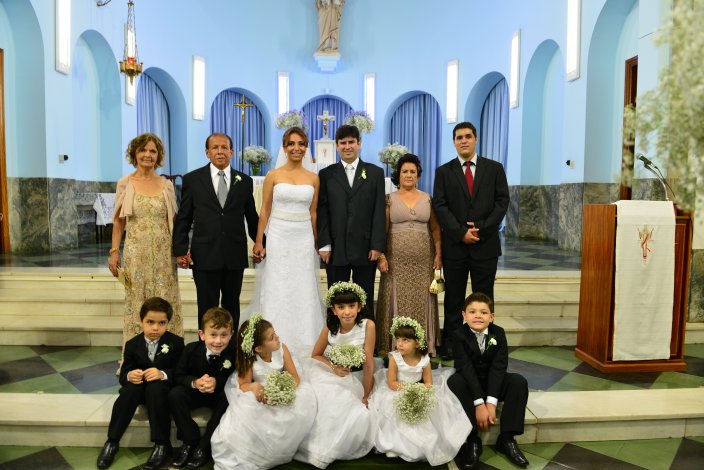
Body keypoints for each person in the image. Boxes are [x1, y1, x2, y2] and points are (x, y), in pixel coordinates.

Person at [432, 122, 509, 359]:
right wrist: (460, 232)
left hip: (485, 246)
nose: (463, 140)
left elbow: (502, 202)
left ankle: (484, 345)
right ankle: (453, 345)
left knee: (484, 298)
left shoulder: (494, 169)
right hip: (455, 246)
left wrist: (481, 229)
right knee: (454, 299)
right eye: (459, 137)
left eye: (468, 136)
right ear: (454, 142)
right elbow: (440, 206)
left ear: (475, 139)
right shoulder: (443, 172)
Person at [172, 133, 259, 329]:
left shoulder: (244, 181)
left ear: (231, 152)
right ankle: (206, 345)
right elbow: (184, 217)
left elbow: (251, 217)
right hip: (204, 255)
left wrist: (261, 242)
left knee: (232, 306)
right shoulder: (193, 179)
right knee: (206, 306)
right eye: (215, 147)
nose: (220, 151)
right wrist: (180, 249)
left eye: (224, 147)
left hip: (234, 254)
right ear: (207, 152)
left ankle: (231, 345)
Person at [249, 127, 324, 351]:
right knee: (278, 283)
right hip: (279, 234)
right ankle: (271, 338)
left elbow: (313, 212)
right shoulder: (273, 175)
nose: (296, 148)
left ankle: (306, 338)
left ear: (306, 148)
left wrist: (317, 241)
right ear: (284, 147)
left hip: (303, 236)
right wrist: (259, 241)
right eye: (291, 144)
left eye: (301, 144)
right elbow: (265, 210)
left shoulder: (314, 178)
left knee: (303, 285)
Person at [109, 133, 183, 358]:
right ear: (134, 154)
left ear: (158, 156)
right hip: (136, 253)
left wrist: (181, 251)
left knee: (165, 299)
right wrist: (114, 252)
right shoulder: (125, 183)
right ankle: (136, 357)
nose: (147, 155)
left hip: (164, 255)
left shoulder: (166, 185)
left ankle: (168, 355)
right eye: (143, 150)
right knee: (136, 301)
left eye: (153, 151)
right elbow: (118, 221)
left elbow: (174, 222)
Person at [211, 313, 316, 469]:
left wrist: (283, 392)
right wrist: (254, 387)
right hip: (261, 393)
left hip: (282, 387)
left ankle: (282, 447)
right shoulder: (249, 358)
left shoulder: (282, 349)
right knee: (250, 411)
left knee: (298, 405)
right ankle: (257, 451)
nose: (277, 337)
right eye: (272, 337)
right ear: (259, 348)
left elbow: (295, 377)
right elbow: (244, 384)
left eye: (275, 333)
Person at [295, 281, 377, 468]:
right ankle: (319, 447)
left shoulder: (368, 326)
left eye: (351, 306)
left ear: (359, 307)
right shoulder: (330, 328)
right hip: (336, 374)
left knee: (352, 409)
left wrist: (366, 395)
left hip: (359, 375)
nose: (347, 312)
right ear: (333, 310)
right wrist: (333, 367)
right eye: (341, 307)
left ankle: (338, 445)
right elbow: (316, 354)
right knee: (328, 401)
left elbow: (368, 363)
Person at [97, 297, 185, 470]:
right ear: (141, 321)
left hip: (160, 392)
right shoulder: (132, 344)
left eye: (161, 323)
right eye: (150, 322)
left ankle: (162, 444)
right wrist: (129, 375)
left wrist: (163, 374)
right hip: (138, 390)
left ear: (168, 323)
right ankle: (112, 441)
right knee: (129, 391)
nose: (155, 328)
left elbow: (181, 371)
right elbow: (123, 375)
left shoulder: (175, 343)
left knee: (156, 387)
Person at [370, 316, 471, 465]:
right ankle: (394, 445)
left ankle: (421, 445)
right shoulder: (394, 358)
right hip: (398, 388)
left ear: (417, 343)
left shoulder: (424, 359)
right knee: (392, 405)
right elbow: (391, 383)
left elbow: (428, 382)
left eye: (405, 340)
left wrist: (420, 390)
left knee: (430, 405)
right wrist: (408, 390)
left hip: (418, 388)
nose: (400, 344)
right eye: (398, 339)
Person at [448, 292, 529, 469]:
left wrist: (491, 403)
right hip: (469, 383)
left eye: (483, 312)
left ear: (491, 317)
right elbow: (466, 369)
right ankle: (472, 439)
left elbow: (499, 367)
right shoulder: (459, 335)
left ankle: (507, 439)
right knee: (455, 381)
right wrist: (479, 403)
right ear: (464, 315)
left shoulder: (498, 333)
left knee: (518, 382)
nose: (478, 316)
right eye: (472, 312)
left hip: (493, 383)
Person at [317, 124, 386, 319]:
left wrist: (377, 245)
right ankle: (335, 333)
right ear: (337, 146)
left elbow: (379, 211)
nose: (347, 146)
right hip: (336, 247)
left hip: (365, 247)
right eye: (343, 143)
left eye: (351, 142)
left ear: (359, 144)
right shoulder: (326, 174)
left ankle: (367, 336)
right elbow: (323, 211)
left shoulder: (375, 173)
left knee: (364, 298)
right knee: (336, 297)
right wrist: (324, 243)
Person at [376, 153, 442, 355]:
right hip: (396, 262)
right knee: (396, 297)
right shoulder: (389, 199)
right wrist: (381, 256)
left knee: (421, 299)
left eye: (413, 171)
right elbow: (382, 230)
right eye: (405, 171)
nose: (409, 175)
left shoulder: (427, 198)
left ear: (418, 175)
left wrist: (438, 255)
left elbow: (435, 229)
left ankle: (423, 343)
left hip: (423, 261)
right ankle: (393, 344)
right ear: (398, 174)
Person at [168, 307, 236, 469]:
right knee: (175, 394)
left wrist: (217, 382)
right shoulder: (191, 349)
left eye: (224, 335)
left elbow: (236, 377)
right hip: (195, 392)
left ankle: (205, 446)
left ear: (231, 335)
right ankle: (190, 440)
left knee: (229, 397)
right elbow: (179, 376)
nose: (218, 341)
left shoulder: (234, 353)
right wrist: (195, 382)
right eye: (213, 335)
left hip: (218, 395)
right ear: (202, 334)